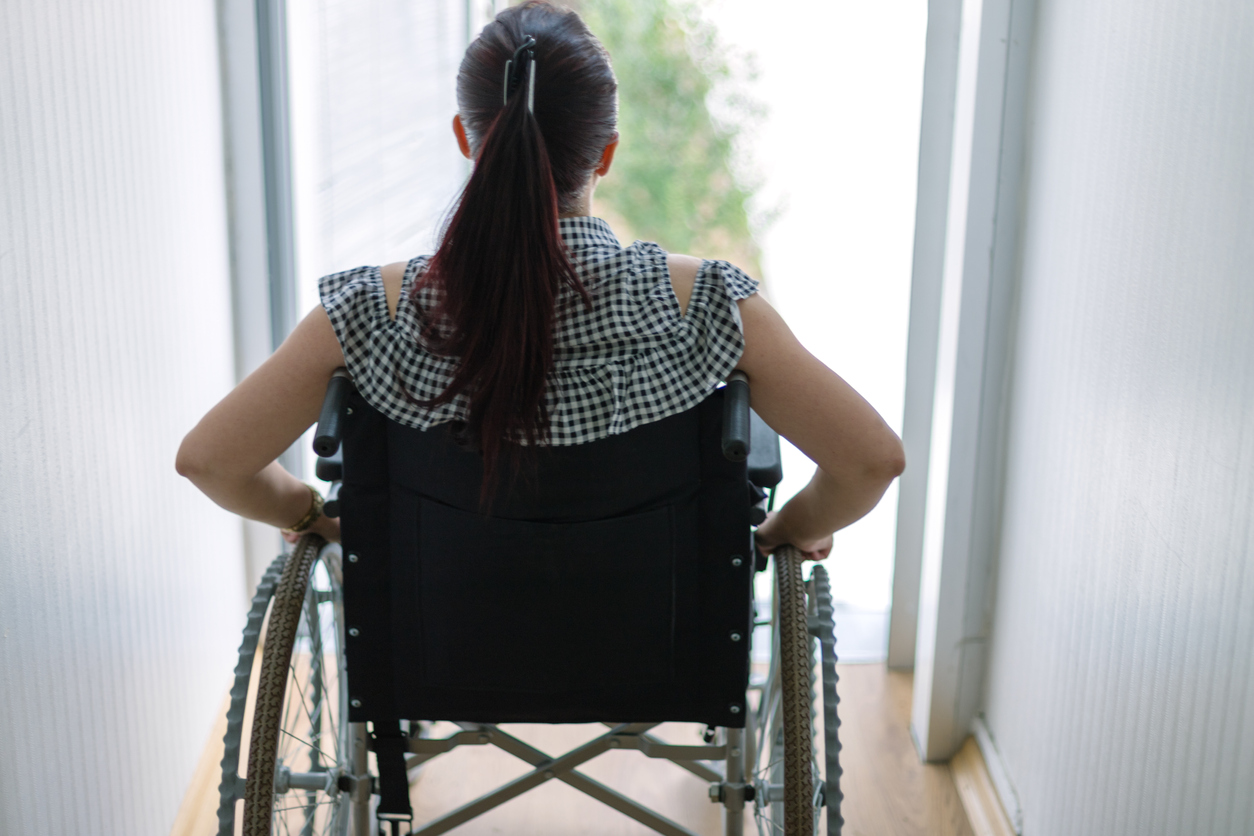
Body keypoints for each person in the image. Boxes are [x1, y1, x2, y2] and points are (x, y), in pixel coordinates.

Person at [176, 0, 904, 561]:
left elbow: (211, 461)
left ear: (466, 140)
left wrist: (315, 517)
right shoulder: (707, 306)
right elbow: (871, 461)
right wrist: (782, 531)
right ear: (607, 154)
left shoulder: (372, 312)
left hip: (441, 652)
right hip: (656, 648)